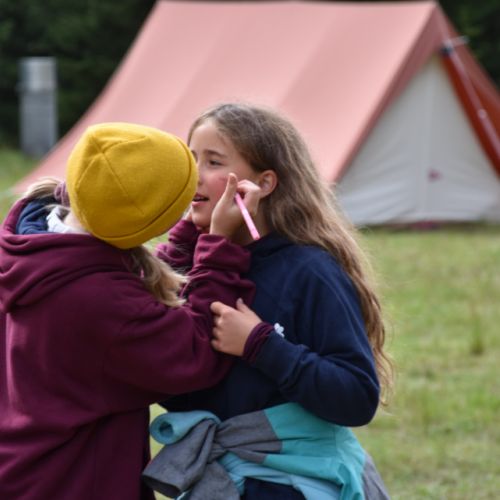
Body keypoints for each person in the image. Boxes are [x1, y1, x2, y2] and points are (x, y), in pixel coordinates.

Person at [0, 122, 265, 500]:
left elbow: (136, 298)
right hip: (72, 484)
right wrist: (219, 246)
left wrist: (189, 234)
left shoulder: (33, 246)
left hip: (24, 472)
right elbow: (194, 353)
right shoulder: (96, 298)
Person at [152, 103, 394, 499]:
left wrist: (261, 345)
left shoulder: (309, 271)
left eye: (213, 162)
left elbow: (356, 398)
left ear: (263, 183)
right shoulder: (194, 268)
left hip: (294, 486)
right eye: (191, 158)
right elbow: (178, 385)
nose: (194, 175)